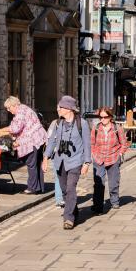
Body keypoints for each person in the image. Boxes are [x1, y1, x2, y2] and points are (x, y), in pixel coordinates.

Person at [43, 96, 92, 230]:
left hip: (75, 161)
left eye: (61, 107)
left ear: (69, 109)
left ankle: (68, 218)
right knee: (65, 190)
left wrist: (87, 163)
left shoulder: (82, 124)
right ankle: (74, 210)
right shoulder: (58, 123)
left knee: (70, 188)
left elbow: (87, 144)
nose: (58, 109)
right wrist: (45, 158)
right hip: (59, 161)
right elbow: (52, 141)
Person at [3, 96, 48, 194]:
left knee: (31, 163)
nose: (8, 110)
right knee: (36, 164)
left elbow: (16, 128)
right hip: (38, 138)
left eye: (9, 107)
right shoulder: (23, 109)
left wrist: (2, 130)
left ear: (14, 105)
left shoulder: (20, 112)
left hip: (33, 140)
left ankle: (32, 188)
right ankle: (39, 187)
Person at [90, 106, 127, 214]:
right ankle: (98, 206)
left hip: (113, 157)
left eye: (105, 117)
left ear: (110, 117)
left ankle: (114, 201)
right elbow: (92, 143)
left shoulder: (117, 128)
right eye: (100, 117)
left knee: (114, 182)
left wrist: (120, 154)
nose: (102, 119)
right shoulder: (96, 128)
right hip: (99, 158)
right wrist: (93, 154)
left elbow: (123, 143)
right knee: (98, 183)